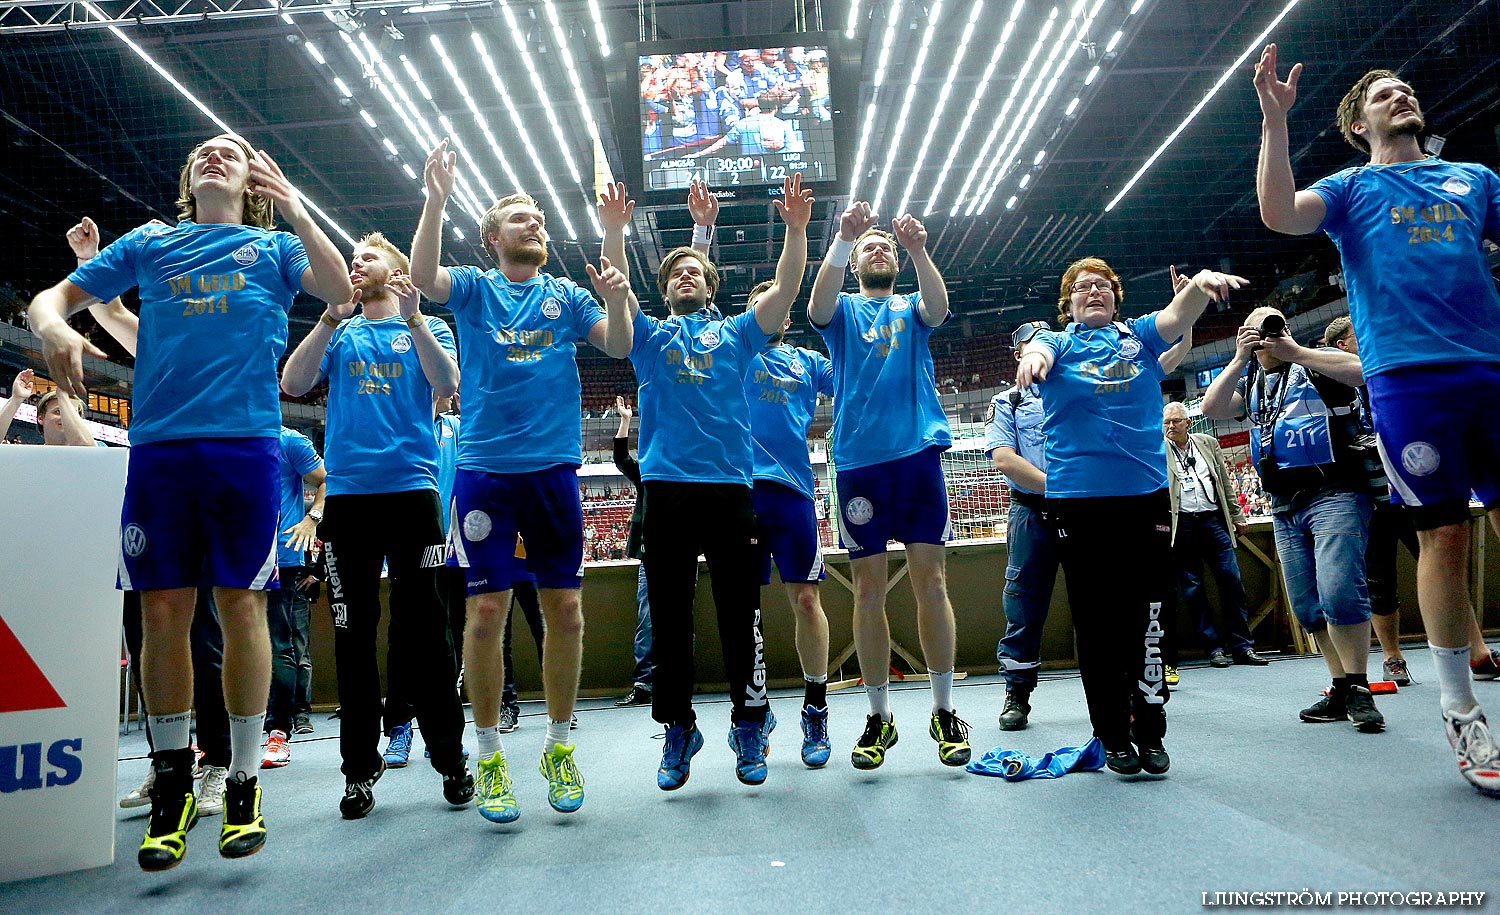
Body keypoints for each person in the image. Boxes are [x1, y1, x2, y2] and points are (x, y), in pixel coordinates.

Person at [30, 133, 352, 869]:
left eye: (233, 151)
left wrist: (296, 206)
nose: (217, 154)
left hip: (242, 448)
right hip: (162, 452)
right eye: (205, 150)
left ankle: (241, 779)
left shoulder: (272, 251)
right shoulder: (151, 243)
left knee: (242, 606)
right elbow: (60, 296)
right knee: (162, 612)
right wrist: (51, 322)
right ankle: (174, 778)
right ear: (187, 176)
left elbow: (338, 292)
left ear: (251, 179)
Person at [1255, 49, 1500, 793]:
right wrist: (1273, 120)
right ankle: (1460, 709)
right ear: (1357, 124)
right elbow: (1278, 212)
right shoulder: (1353, 187)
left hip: (1489, 367)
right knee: (1444, 532)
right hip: (1406, 380)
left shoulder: (1477, 180)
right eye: (1384, 94)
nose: (1402, 96)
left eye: (1407, 90)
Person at [410, 139, 634, 823]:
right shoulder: (476, 291)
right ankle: (489, 755)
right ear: (492, 237)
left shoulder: (564, 295)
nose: (534, 224)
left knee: (565, 610)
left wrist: (616, 254)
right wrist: (436, 199)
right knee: (485, 612)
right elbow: (422, 276)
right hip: (484, 473)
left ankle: (559, 745)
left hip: (552, 472)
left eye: (538, 218)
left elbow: (620, 344)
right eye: (520, 218)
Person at [610, 174, 812, 789]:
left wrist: (797, 231)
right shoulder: (648, 337)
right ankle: (678, 728)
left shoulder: (738, 334)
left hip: (730, 490)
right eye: (673, 274)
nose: (684, 277)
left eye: (694, 270)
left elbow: (783, 292)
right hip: (666, 490)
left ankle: (750, 723)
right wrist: (615, 234)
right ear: (663, 289)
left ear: (711, 282)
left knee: (738, 612)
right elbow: (616, 296)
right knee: (669, 620)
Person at [1016, 256, 1245, 776]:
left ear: (1116, 297)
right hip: (1078, 503)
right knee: (1096, 624)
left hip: (1144, 501)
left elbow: (1174, 318)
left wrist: (1202, 287)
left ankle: (1151, 728)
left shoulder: (1139, 337)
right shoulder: (1059, 342)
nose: (1092, 293)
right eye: (1081, 288)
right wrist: (1031, 357)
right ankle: (1112, 734)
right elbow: (1037, 349)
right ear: (1068, 302)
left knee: (1149, 619)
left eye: (1102, 287)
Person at [280, 231, 471, 819]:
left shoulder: (427, 327)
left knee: (428, 633)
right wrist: (327, 317)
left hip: (413, 497)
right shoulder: (341, 332)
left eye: (366, 258)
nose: (355, 265)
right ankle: (359, 772)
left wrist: (415, 322)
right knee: (351, 637)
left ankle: (451, 758)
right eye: (351, 260)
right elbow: (293, 383)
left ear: (395, 269)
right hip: (350, 503)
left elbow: (447, 384)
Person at [808, 200, 971, 771]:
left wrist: (921, 248)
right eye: (866, 248)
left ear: (897, 261)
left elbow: (940, 305)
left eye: (886, 246)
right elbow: (816, 305)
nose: (877, 249)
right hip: (858, 464)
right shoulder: (845, 311)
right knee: (869, 590)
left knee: (932, 583)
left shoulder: (911, 308)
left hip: (918, 459)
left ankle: (944, 710)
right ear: (855, 264)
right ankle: (878, 717)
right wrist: (841, 238)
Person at [1199, 305, 1385, 734]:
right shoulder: (1255, 383)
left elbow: (1361, 371)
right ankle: (1340, 686)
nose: (1266, 336)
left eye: (1272, 326)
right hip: (1284, 503)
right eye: (1255, 330)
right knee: (1306, 604)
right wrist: (1239, 357)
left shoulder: (1318, 365)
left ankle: (1359, 686)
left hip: (1336, 491)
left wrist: (1295, 350)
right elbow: (1212, 405)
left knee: (1340, 589)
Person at [1325, 316, 1499, 683]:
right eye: (1358, 334)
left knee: (1445, 564)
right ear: (1342, 344)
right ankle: (1393, 657)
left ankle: (1478, 652)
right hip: (1366, 497)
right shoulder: (1330, 380)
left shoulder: (1384, 373)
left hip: (1407, 490)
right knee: (1379, 580)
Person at [984, 322, 1061, 731]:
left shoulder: (1075, 387)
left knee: (1100, 601)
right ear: (1018, 355)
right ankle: (1017, 693)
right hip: (1030, 512)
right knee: (1023, 606)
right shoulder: (1007, 401)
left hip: (1085, 512)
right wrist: (1060, 488)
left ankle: (1115, 689)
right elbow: (1004, 458)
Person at [1162, 401, 1268, 670]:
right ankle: (1214, 648)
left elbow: (1223, 481)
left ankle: (1243, 646)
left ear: (1188, 422)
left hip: (1212, 520)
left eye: (1175, 421)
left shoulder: (1208, 443)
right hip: (1181, 525)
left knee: (1232, 581)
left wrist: (1236, 515)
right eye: (1166, 423)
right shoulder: (1158, 450)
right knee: (1194, 589)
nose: (1171, 427)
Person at [260, 425, 325, 767]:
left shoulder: (290, 441)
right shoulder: (228, 435)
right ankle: (217, 744)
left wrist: (311, 519)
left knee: (282, 645)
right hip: (233, 554)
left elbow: (326, 479)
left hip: (281, 560)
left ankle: (279, 731)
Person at [611, 396, 654, 708]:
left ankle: (676, 678)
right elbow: (621, 457)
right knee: (648, 619)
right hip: (651, 556)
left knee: (679, 618)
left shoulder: (684, 475)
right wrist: (625, 420)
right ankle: (645, 683)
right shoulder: (646, 475)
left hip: (682, 553)